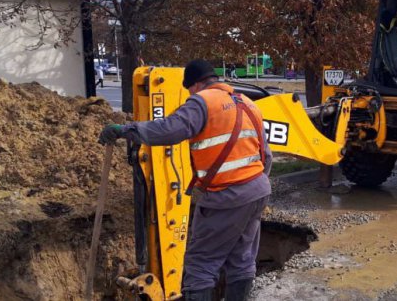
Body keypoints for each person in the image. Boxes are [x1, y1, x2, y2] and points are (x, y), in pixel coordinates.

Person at [98, 59, 273, 301]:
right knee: (241, 259)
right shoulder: (248, 104)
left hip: (226, 197)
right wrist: (252, 187)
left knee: (201, 265)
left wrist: (125, 130)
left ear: (197, 84)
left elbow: (169, 128)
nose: (189, 93)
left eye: (189, 88)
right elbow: (266, 154)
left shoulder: (202, 102)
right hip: (257, 192)